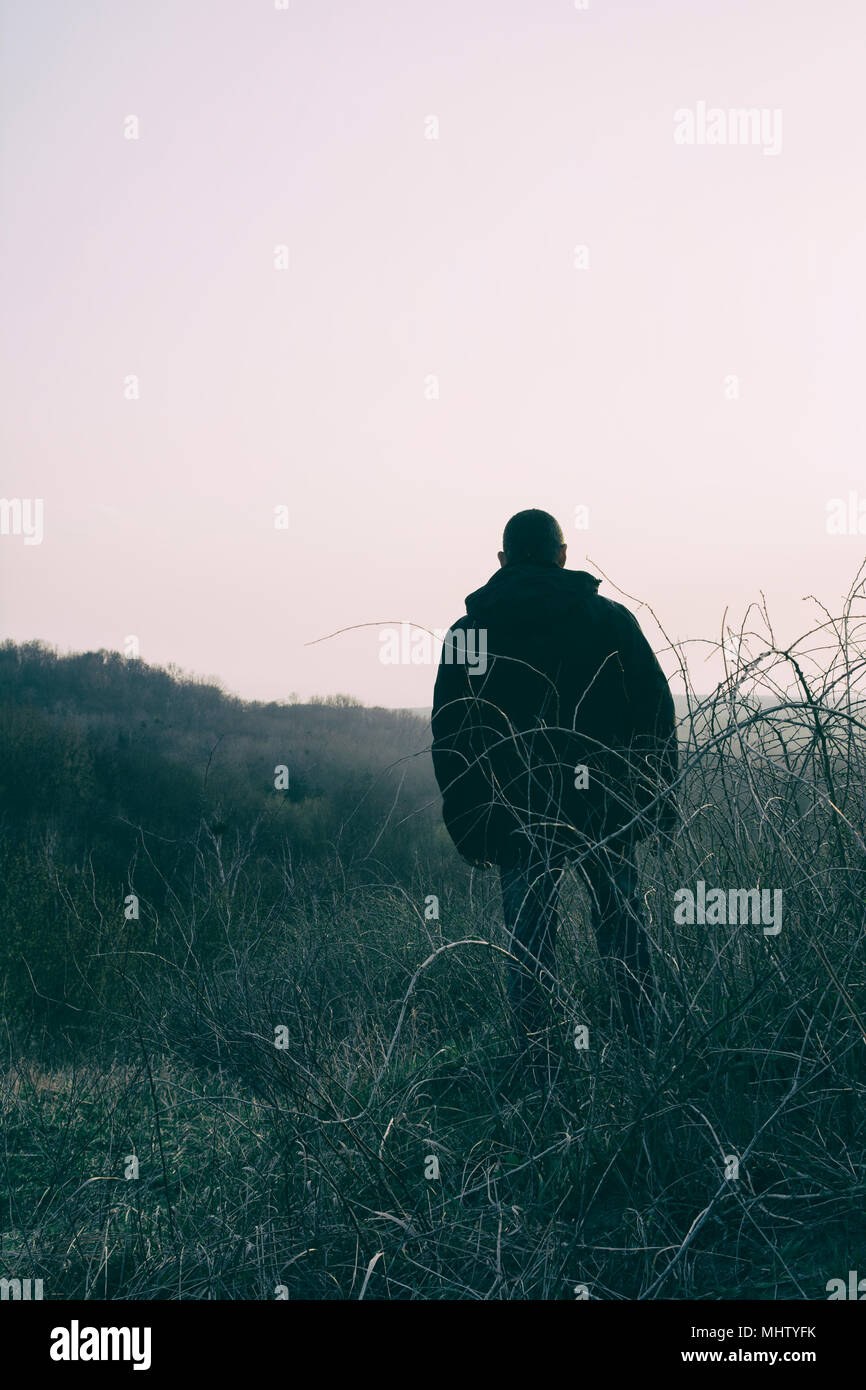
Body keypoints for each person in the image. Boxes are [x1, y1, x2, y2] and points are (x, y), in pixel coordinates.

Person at [431, 509, 678, 1081]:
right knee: (624, 931)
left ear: (502, 561)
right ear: (563, 556)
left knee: (531, 947)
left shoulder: (471, 634)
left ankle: (538, 1070)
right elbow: (654, 712)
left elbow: (455, 735)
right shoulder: (610, 620)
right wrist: (655, 798)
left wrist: (470, 823)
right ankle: (648, 1056)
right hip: (606, 809)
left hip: (517, 814)